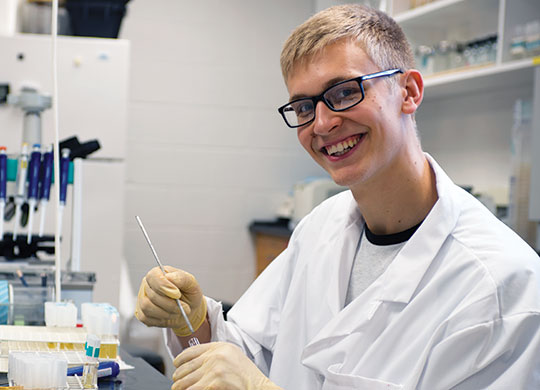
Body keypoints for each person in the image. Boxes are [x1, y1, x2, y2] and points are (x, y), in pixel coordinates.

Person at [135, 4, 540, 390]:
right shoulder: (320, 229)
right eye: (303, 106)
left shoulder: (503, 286)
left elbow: (252, 380)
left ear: (409, 91)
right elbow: (247, 355)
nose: (323, 123)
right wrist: (195, 321)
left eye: (344, 92)